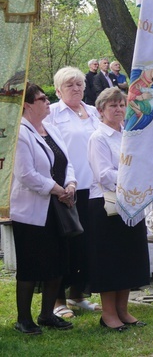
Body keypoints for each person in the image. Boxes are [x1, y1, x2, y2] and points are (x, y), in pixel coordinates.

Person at [11, 83, 76, 334]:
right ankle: (23, 318)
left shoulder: (51, 128)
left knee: (58, 262)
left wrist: (71, 183)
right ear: (27, 104)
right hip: (32, 210)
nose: (47, 101)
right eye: (42, 98)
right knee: (30, 265)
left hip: (58, 208)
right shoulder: (20, 133)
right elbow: (26, 174)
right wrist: (58, 189)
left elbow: (66, 161)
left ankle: (47, 314)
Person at [87, 87, 150, 330]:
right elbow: (103, 174)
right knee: (110, 261)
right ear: (101, 110)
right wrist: (132, 175)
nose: (118, 109)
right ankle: (108, 314)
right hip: (106, 205)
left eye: (122, 105)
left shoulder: (129, 135)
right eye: (113, 105)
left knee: (128, 258)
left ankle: (123, 310)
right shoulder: (98, 138)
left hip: (132, 203)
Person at [47, 68, 101, 319]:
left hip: (94, 187)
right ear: (58, 90)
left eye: (80, 84)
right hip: (67, 187)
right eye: (70, 85)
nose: (77, 88)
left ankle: (78, 294)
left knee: (89, 244)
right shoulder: (53, 114)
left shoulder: (92, 112)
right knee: (65, 245)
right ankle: (57, 299)